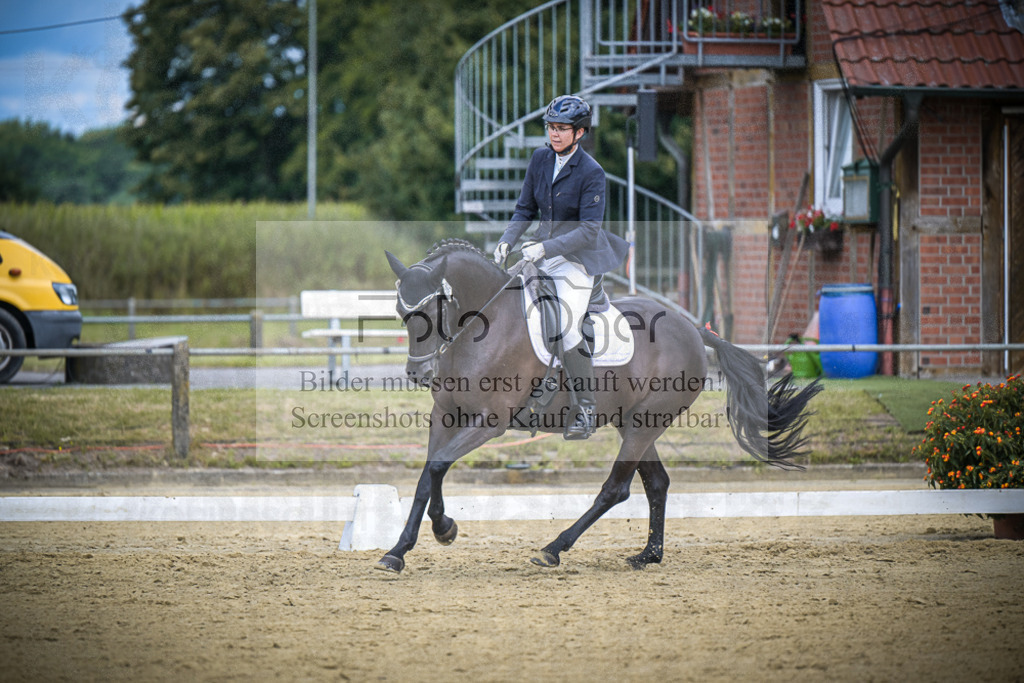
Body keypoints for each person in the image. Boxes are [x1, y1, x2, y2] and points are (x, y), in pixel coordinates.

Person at [492, 94, 629, 439]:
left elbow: (588, 230)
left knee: (568, 327)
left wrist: (544, 248)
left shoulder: (592, 173)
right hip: (541, 252)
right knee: (506, 306)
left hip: (577, 261)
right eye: (551, 127)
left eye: (562, 129)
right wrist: (508, 239)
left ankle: (585, 408)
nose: (554, 134)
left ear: (580, 133)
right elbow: (524, 209)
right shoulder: (540, 159)